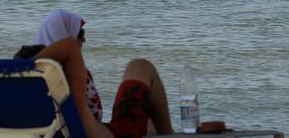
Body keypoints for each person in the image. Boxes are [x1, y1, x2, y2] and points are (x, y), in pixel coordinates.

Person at [15, 10, 174, 138]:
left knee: (148, 122)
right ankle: (170, 134)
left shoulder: (20, 83)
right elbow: (70, 46)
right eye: (81, 33)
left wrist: (22, 68)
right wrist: (35, 65)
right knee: (140, 66)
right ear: (66, 35)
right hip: (112, 135)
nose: (84, 40)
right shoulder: (65, 73)